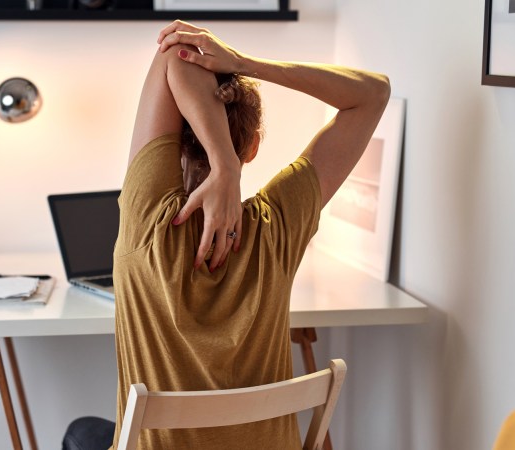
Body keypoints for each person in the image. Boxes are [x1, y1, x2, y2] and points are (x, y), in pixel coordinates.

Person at [63, 20, 390, 450]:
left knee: (80, 432)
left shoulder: (147, 221)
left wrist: (222, 166)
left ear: (172, 141)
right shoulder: (279, 225)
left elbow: (173, 52)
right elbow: (373, 92)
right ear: (253, 146)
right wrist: (245, 65)